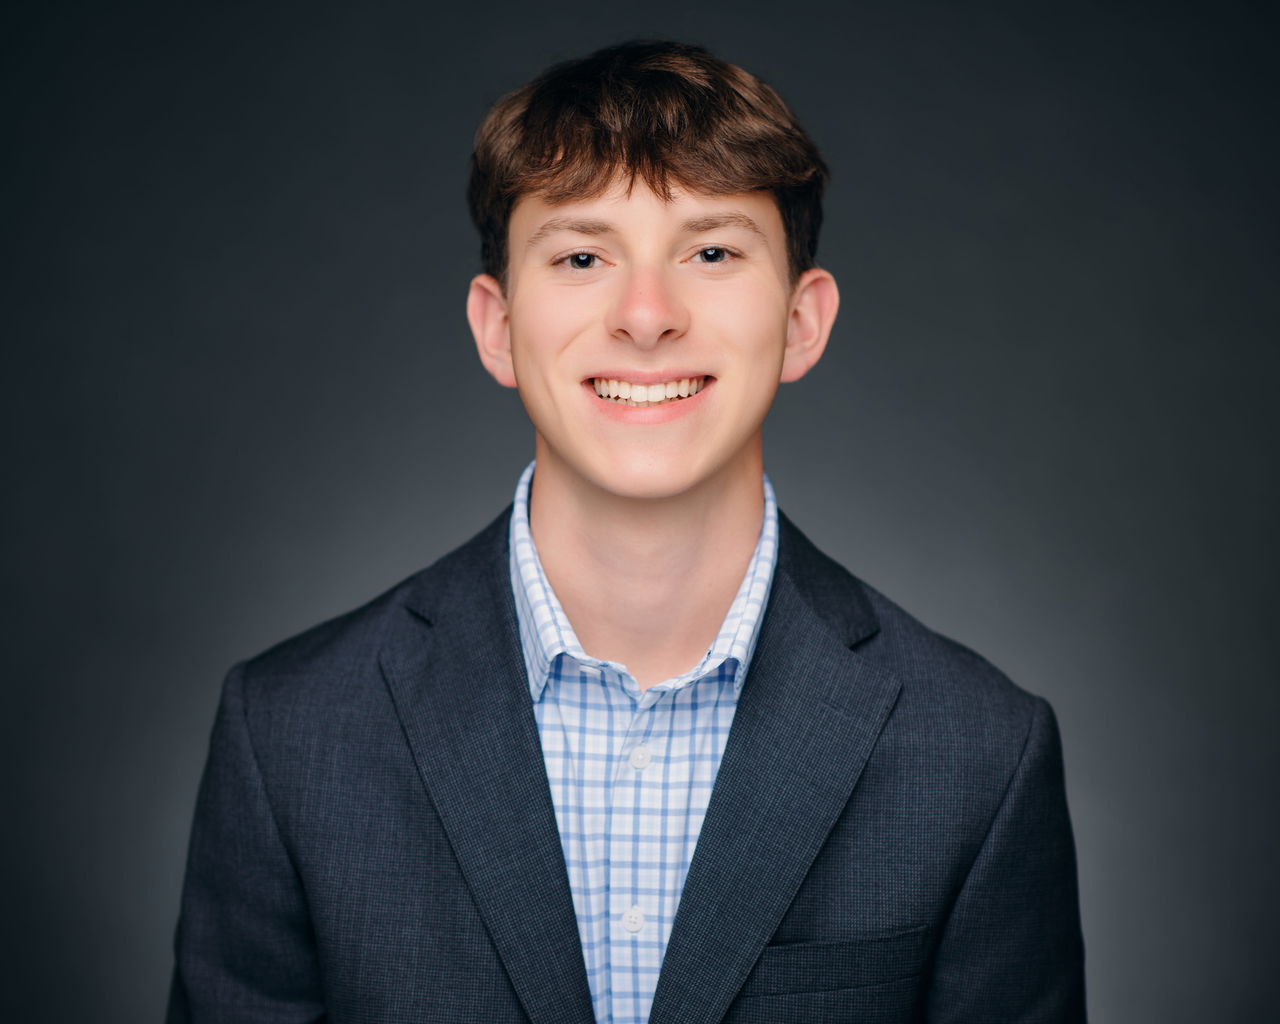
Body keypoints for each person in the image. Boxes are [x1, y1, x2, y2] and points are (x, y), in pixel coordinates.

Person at [168, 40, 1086, 1024]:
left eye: (711, 251)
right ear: (496, 326)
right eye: (579, 256)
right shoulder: (291, 733)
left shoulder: (978, 752)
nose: (645, 316)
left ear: (799, 322)